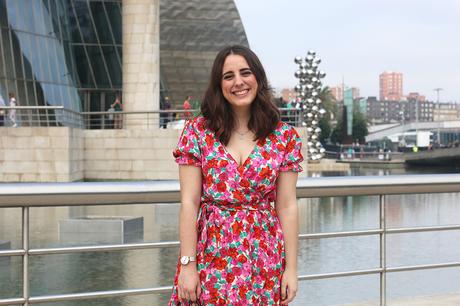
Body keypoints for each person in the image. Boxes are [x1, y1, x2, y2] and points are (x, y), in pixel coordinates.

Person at [169, 45, 302, 305]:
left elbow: (286, 206)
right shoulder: (198, 132)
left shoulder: (284, 136)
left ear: (258, 79)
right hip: (212, 255)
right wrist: (188, 265)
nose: (238, 82)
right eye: (228, 76)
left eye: (245, 73)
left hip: (264, 257)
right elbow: (189, 202)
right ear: (219, 85)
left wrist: (292, 269)